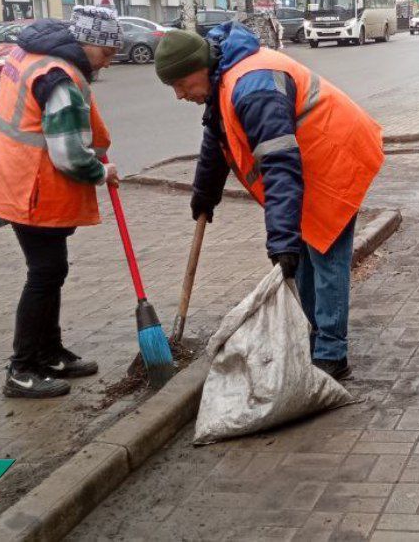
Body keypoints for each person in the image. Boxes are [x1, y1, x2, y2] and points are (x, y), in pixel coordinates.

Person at [153, 22, 384, 379]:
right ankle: (311, 338)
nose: (179, 95)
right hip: (307, 164)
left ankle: (331, 354)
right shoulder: (221, 76)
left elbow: (278, 165)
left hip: (335, 158)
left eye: (181, 85)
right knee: (303, 257)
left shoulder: (254, 87)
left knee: (325, 258)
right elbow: (216, 136)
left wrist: (281, 240)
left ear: (198, 67)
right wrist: (205, 193)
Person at [0, 6, 122, 399]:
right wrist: (101, 171)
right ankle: (22, 369)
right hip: (31, 189)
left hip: (15, 180)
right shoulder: (58, 79)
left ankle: (49, 353)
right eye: (106, 52)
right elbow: (69, 155)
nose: (107, 62)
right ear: (87, 42)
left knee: (50, 270)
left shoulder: (35, 53)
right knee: (45, 273)